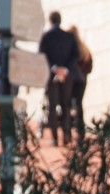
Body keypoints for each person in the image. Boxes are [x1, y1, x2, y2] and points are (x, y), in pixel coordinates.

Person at [38, 11, 80, 145]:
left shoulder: (46, 36)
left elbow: (41, 55)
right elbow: (76, 55)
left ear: (50, 21)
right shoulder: (69, 37)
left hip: (51, 75)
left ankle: (55, 137)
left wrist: (54, 68)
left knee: (52, 106)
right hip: (66, 76)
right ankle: (66, 134)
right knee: (65, 105)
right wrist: (65, 69)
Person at [65, 25, 93, 137]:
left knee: (66, 104)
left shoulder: (69, 48)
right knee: (79, 105)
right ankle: (81, 131)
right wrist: (83, 73)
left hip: (70, 80)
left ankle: (68, 131)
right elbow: (90, 66)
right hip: (82, 81)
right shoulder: (84, 49)